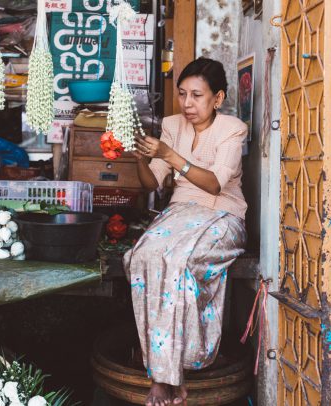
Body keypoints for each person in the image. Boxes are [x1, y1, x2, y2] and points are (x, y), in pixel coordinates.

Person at [124, 57, 248, 406]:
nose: (188, 104)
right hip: (179, 214)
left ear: (218, 98)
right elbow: (153, 181)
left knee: (180, 260)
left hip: (222, 216)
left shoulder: (232, 129)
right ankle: (170, 367)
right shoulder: (172, 125)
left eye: (197, 95)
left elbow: (212, 184)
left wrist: (170, 155)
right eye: (182, 95)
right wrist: (140, 158)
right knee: (140, 256)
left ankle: (166, 377)